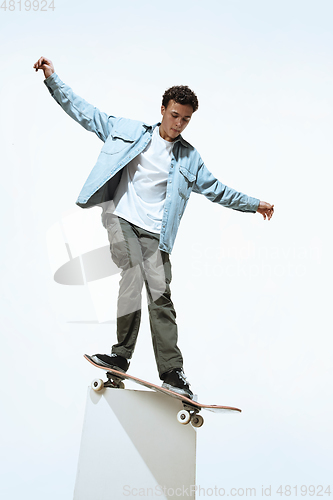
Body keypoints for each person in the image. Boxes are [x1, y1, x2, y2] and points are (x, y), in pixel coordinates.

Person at [33, 56, 274, 399]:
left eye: (186, 120)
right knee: (131, 272)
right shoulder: (129, 132)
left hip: (156, 235)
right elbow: (86, 113)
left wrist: (254, 204)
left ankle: (172, 372)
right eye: (174, 116)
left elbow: (218, 189)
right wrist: (53, 79)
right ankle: (120, 356)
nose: (178, 125)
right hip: (122, 219)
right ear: (162, 109)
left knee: (161, 297)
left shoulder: (190, 158)